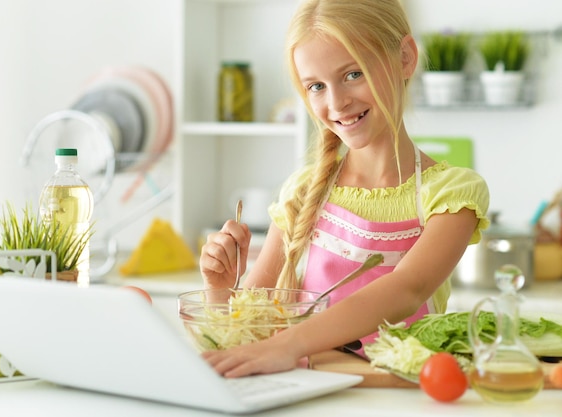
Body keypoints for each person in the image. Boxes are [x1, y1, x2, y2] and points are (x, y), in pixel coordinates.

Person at [199, 0, 489, 378]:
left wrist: (290, 343)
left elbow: (407, 289)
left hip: (397, 401)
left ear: (405, 57)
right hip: (308, 394)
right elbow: (244, 335)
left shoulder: (452, 194)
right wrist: (220, 291)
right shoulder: (302, 192)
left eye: (353, 74)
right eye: (316, 86)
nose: (337, 102)